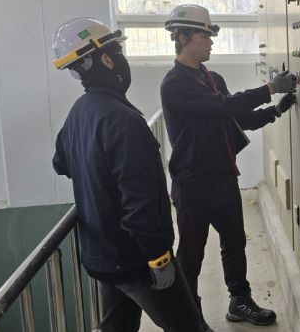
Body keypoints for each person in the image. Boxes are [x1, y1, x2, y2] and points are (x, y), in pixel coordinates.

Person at [51, 17, 213, 332]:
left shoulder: (79, 113)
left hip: (103, 255)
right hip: (137, 260)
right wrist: (159, 260)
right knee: (189, 327)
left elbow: (62, 164)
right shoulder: (124, 121)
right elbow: (142, 202)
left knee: (118, 326)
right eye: (117, 50)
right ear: (106, 60)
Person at [160, 4, 296, 326]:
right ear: (182, 37)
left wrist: (276, 110)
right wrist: (269, 88)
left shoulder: (213, 78)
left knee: (234, 243)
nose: (210, 42)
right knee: (191, 255)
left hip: (223, 177)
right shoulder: (175, 84)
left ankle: (239, 301)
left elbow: (238, 118)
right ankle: (189, 317)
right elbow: (221, 106)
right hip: (193, 183)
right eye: (204, 36)